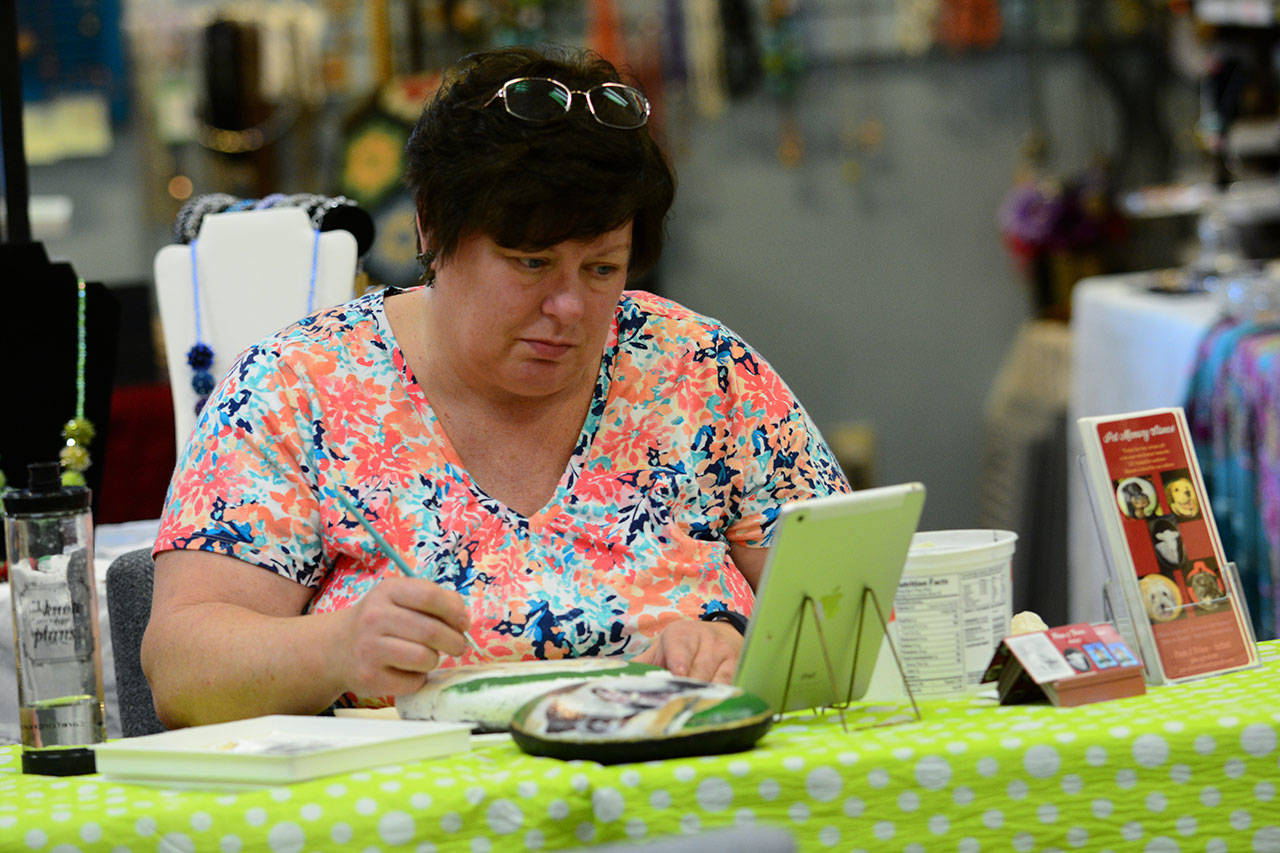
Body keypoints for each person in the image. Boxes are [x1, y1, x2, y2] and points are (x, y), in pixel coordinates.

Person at [142, 46, 849, 729]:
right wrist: (334, 648)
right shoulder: (299, 389)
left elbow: (852, 604)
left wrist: (741, 646)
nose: (569, 307)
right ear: (431, 229)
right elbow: (181, 672)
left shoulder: (701, 370)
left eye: (602, 269)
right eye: (531, 263)